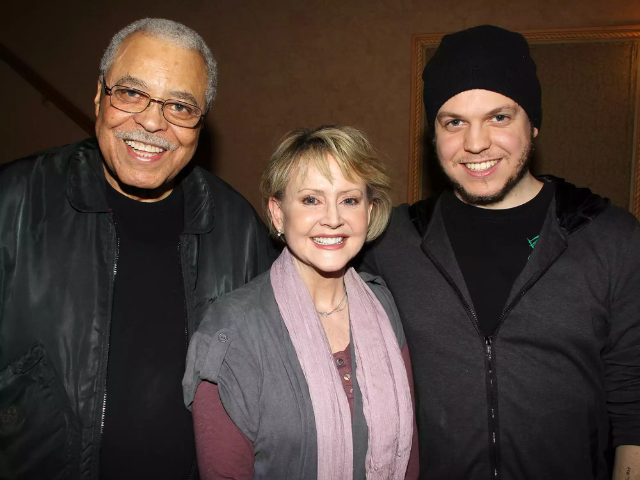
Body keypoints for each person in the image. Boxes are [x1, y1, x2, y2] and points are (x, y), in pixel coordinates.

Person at [358, 25, 640, 480]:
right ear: (433, 133)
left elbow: (633, 406)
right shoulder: (389, 242)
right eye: (454, 122)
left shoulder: (611, 238)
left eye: (499, 117)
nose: (475, 144)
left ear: (533, 122)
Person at [0, 18, 274, 479]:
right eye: (130, 93)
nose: (151, 121)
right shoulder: (13, 203)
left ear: (201, 122)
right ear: (99, 96)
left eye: (180, 106)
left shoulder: (239, 228)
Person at [183, 125, 420, 479]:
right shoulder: (230, 331)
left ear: (369, 212)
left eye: (349, 200)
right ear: (278, 213)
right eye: (311, 199)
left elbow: (410, 457)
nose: (333, 218)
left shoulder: (383, 304)